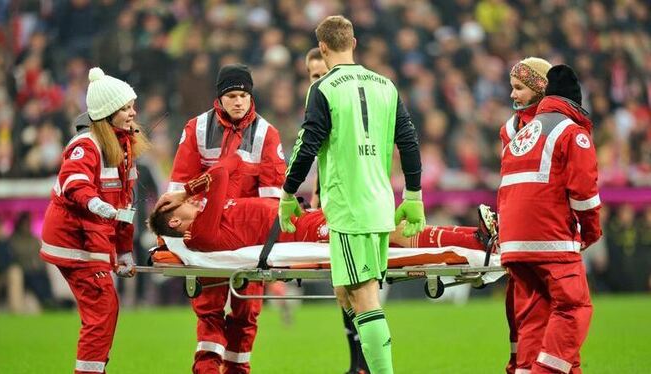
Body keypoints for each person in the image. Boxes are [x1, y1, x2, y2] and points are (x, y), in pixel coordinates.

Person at [280, 16, 425, 374]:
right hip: (380, 204)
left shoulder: (324, 88)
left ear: (324, 49)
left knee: (362, 296)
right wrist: (414, 194)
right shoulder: (385, 85)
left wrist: (287, 191)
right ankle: (374, 359)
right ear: (354, 43)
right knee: (348, 292)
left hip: (348, 207)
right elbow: (407, 141)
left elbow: (307, 144)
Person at [161, 63, 286, 374]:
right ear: (220, 98)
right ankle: (206, 369)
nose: (239, 101)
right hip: (209, 237)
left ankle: (236, 371)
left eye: (243, 94)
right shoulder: (197, 129)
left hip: (247, 239)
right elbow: (178, 190)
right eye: (232, 95)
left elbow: (272, 199)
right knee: (209, 310)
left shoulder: (266, 133)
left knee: (246, 313)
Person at [40, 67, 149, 374]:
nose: (133, 113)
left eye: (131, 106)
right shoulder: (86, 144)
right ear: (108, 113)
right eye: (126, 108)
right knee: (102, 309)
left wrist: (125, 250)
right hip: (75, 240)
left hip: (92, 238)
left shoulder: (123, 147)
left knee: (105, 309)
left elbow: (125, 206)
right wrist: (97, 204)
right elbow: (74, 182)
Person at [149, 157, 492, 254]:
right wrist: (184, 191)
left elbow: (234, 164)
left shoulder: (207, 217)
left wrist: (186, 194)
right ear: (176, 223)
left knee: (390, 224)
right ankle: (475, 239)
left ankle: (477, 235)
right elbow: (222, 171)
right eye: (178, 206)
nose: (189, 201)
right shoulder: (201, 235)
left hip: (306, 219)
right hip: (300, 233)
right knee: (390, 232)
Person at [498, 64, 601, 374]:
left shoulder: (517, 133)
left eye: (519, 86)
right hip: (549, 237)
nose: (513, 94)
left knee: (533, 316)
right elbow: (583, 192)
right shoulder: (572, 132)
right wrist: (591, 233)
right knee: (574, 307)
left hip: (514, 242)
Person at [305, 46, 368, 373]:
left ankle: (365, 364)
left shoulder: (346, 109)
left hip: (353, 207)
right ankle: (357, 364)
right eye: (314, 77)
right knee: (342, 290)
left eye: (324, 74)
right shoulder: (319, 108)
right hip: (331, 204)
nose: (320, 82)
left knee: (356, 288)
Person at [500, 57, 552, 374]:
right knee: (517, 305)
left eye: (519, 88)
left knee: (541, 307)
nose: (512, 94)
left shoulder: (557, 126)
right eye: (511, 87)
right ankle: (521, 363)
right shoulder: (508, 130)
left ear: (538, 89)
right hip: (516, 233)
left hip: (547, 233)